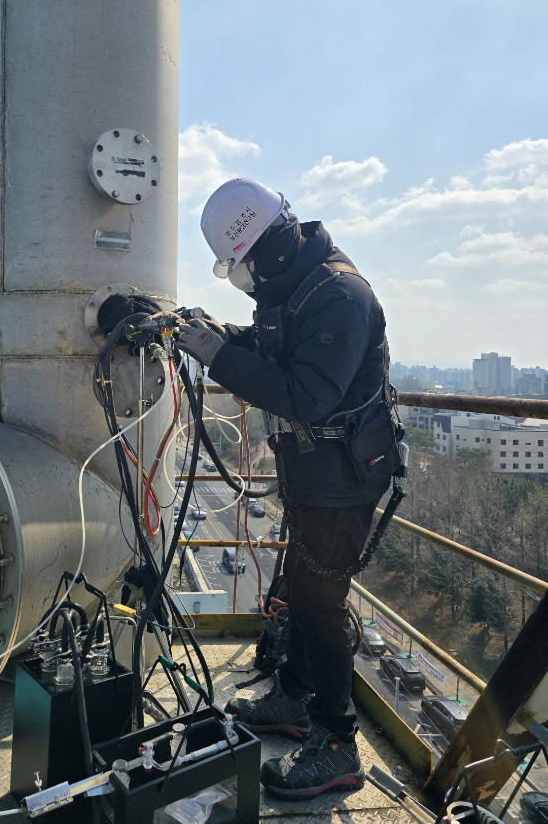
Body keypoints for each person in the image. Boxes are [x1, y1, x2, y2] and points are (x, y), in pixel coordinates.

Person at [175, 178, 402, 801]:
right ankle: (294, 699)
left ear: (270, 248)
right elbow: (269, 348)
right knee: (302, 591)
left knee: (322, 603)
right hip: (315, 471)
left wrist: (214, 354)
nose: (248, 284)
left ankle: (336, 744)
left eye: (244, 270)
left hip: (343, 478)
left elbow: (305, 395)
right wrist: (215, 333)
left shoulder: (340, 296)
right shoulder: (297, 287)